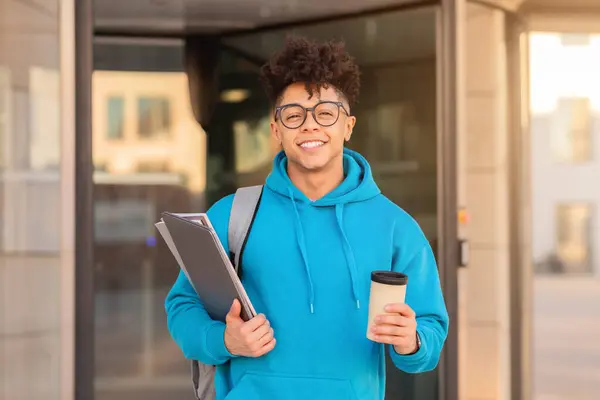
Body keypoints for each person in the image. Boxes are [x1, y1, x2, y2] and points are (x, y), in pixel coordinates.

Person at [165, 35, 449, 400]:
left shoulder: (396, 227)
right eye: (294, 115)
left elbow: (429, 334)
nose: (310, 126)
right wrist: (223, 339)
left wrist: (411, 341)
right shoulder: (232, 216)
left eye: (326, 113)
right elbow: (182, 305)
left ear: (348, 126)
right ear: (276, 130)